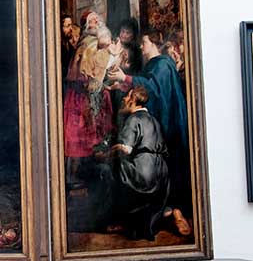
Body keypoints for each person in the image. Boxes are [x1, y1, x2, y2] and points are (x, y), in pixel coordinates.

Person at [107, 30, 192, 236]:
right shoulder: (153, 65)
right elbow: (145, 94)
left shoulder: (162, 64)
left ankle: (175, 212)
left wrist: (125, 77)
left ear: (154, 44)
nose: (141, 47)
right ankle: (150, 216)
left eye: (144, 42)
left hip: (168, 126)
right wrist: (122, 86)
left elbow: (153, 89)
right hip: (156, 128)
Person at [92, 86, 170, 240]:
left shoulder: (134, 119)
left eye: (127, 96)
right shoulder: (153, 120)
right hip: (161, 173)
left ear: (133, 100)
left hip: (143, 172)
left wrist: (105, 155)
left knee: (105, 170)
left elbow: (125, 149)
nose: (124, 99)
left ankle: (108, 220)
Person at [63, 23, 121, 187]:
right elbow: (89, 78)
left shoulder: (101, 51)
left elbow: (101, 75)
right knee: (77, 138)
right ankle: (73, 176)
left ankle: (89, 173)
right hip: (83, 97)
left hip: (94, 97)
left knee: (94, 137)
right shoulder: (89, 49)